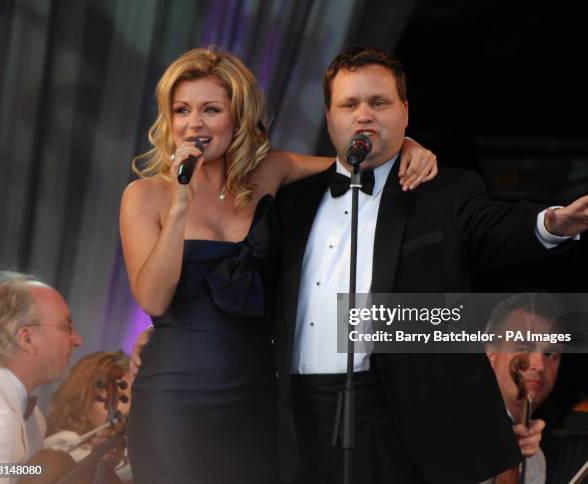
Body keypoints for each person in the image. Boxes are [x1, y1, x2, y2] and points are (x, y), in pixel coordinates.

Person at [120, 46, 437, 483]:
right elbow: (152, 297)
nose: (194, 123)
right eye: (181, 110)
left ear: (238, 117)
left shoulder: (270, 171)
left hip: (255, 398)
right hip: (174, 400)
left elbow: (359, 162)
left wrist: (410, 145)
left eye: (211, 109)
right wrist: (179, 205)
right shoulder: (144, 196)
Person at [273, 46, 588, 483]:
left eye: (378, 102)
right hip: (300, 411)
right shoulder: (293, 202)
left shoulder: (441, 191)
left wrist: (552, 222)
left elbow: (492, 226)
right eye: (350, 103)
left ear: (404, 112)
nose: (364, 114)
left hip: (398, 411)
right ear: (329, 117)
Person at [0, 270, 83, 482]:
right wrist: (49, 468)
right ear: (27, 339)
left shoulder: (34, 418)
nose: (77, 340)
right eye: (66, 327)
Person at [483, 293, 564, 484]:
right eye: (524, 347)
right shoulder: (451, 430)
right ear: (490, 354)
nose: (540, 365)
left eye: (550, 353)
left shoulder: (536, 460)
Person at [45, 351, 133, 482]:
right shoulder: (61, 442)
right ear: (80, 401)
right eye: (122, 398)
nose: (126, 409)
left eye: (128, 398)